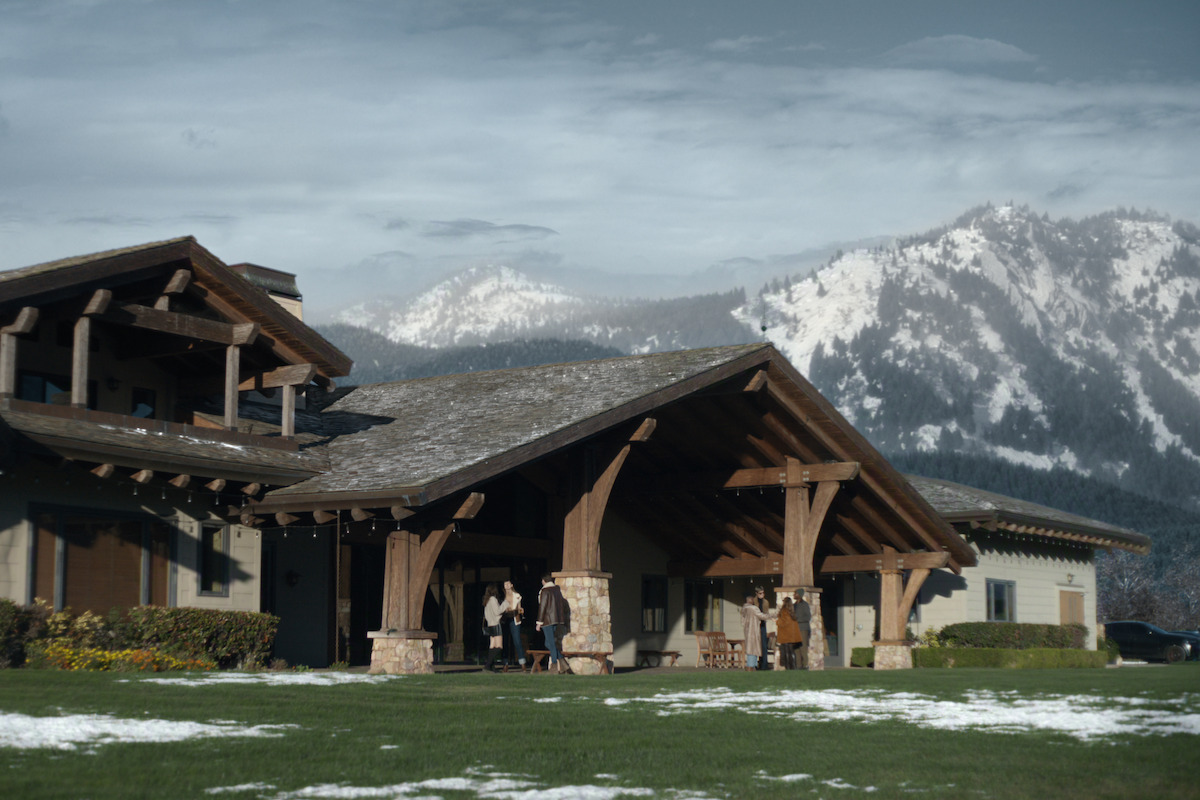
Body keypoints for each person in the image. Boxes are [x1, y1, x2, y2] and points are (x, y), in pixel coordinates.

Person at [536, 573, 572, 674]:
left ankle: (555, 665)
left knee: (550, 643)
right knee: (549, 643)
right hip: (556, 620)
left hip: (547, 620)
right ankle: (563, 663)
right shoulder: (557, 590)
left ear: (544, 581)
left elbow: (542, 607)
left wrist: (539, 622)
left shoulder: (545, 591)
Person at [740, 591, 775, 671]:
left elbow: (742, 622)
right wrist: (773, 615)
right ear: (751, 600)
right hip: (753, 631)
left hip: (747, 631)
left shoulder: (743, 609)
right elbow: (762, 616)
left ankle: (752, 665)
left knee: (750, 648)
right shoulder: (753, 608)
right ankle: (751, 666)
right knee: (753, 648)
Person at [501, 579, 527, 672]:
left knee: (517, 641)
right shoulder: (502, 596)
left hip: (514, 618)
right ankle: (505, 663)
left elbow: (519, 607)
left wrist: (521, 610)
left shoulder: (517, 596)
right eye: (505, 584)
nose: (506, 586)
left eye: (508, 584)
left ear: (511, 585)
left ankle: (522, 663)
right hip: (505, 619)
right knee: (505, 641)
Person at [481, 583, 505, 672]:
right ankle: (487, 665)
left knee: (492, 645)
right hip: (496, 624)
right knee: (499, 646)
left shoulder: (486, 601)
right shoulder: (493, 600)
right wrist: (505, 604)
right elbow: (497, 611)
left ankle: (491, 666)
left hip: (490, 624)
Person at [775, 597, 802, 670]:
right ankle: (793, 666)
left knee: (786, 652)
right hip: (792, 635)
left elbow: (784, 622)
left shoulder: (784, 611)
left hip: (785, 635)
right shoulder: (792, 611)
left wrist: (777, 621)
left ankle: (789, 667)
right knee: (791, 652)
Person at [793, 588, 813, 670]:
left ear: (799, 595)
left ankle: (805, 665)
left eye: (795, 593)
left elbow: (808, 617)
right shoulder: (794, 605)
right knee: (796, 648)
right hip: (795, 629)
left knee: (803, 647)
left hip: (803, 629)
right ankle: (798, 665)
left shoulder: (805, 605)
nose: (794, 595)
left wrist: (797, 619)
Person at [754, 586, 771, 669]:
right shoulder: (753, 601)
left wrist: (765, 617)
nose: (762, 595)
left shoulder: (765, 602)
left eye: (763, 593)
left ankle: (764, 665)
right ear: (757, 594)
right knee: (755, 645)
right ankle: (755, 664)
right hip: (755, 625)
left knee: (764, 645)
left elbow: (766, 613)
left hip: (763, 625)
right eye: (760, 593)